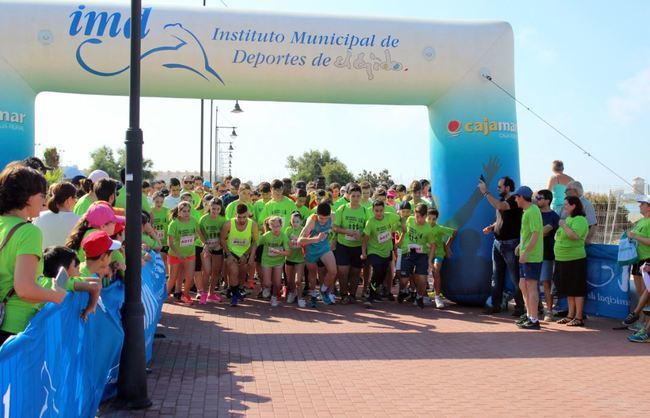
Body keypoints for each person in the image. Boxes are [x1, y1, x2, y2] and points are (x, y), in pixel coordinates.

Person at [0, 164, 67, 346]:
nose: (45, 202)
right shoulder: (28, 232)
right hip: (15, 329)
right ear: (26, 197)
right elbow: (24, 289)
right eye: (42, 196)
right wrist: (56, 295)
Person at [479, 176, 525, 315]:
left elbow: (500, 207)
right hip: (498, 243)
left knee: (515, 276)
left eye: (500, 186)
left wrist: (485, 192)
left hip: (511, 243)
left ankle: (520, 307)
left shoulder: (513, 200)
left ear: (508, 188)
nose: (498, 189)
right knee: (496, 276)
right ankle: (495, 305)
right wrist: (492, 227)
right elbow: (502, 218)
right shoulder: (503, 200)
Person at [554, 196, 589, 327]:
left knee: (577, 288)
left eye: (567, 204)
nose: (564, 207)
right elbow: (559, 235)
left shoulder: (580, 220)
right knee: (569, 289)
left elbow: (574, 236)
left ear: (574, 206)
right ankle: (570, 315)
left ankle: (579, 317)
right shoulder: (568, 218)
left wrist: (563, 225)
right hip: (562, 258)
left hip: (575, 259)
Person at [513, 186, 544, 330]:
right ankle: (529, 314)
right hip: (526, 254)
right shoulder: (528, 211)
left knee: (531, 286)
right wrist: (521, 246)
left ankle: (534, 319)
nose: (515, 199)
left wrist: (526, 253)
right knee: (522, 285)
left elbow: (536, 234)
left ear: (521, 197)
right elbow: (528, 234)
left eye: (516, 196)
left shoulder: (532, 211)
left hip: (532, 256)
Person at [43, 246, 100, 321]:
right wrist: (89, 309)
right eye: (75, 263)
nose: (78, 265)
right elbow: (96, 286)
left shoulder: (45, 280)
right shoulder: (62, 282)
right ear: (63, 269)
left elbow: (96, 282)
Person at [333, 184, 368, 304]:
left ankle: (352, 294)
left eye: (358, 196)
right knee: (342, 271)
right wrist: (347, 231)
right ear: (348, 195)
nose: (356, 198)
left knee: (355, 272)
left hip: (357, 246)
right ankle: (343, 294)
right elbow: (335, 227)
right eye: (353, 196)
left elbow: (368, 229)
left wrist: (362, 233)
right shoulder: (342, 209)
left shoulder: (364, 210)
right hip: (343, 245)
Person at [298, 202, 338, 308]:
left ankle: (323, 290)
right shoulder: (312, 220)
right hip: (310, 248)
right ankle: (313, 295)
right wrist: (315, 239)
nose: (323, 220)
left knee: (333, 271)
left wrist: (332, 240)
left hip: (324, 247)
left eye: (326, 218)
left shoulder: (333, 216)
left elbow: (334, 229)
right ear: (316, 214)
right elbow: (300, 240)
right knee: (312, 273)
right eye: (321, 218)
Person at [396, 203, 436, 309]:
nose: (418, 219)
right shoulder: (409, 220)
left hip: (421, 255)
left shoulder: (428, 229)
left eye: (421, 217)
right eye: (416, 216)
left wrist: (430, 261)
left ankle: (419, 297)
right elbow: (401, 223)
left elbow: (433, 246)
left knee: (422, 279)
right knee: (403, 279)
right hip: (407, 253)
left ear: (425, 216)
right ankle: (403, 291)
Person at [361, 200, 399, 307]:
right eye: (376, 211)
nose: (379, 213)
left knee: (383, 273)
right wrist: (364, 252)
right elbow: (365, 239)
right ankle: (370, 295)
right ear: (373, 210)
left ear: (384, 210)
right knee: (377, 270)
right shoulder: (370, 222)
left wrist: (403, 226)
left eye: (381, 210)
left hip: (387, 251)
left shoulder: (390, 217)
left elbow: (401, 218)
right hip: (374, 251)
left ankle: (374, 291)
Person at [221, 203, 259, 307]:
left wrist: (249, 256)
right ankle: (234, 295)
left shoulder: (253, 224)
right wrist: (228, 254)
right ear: (235, 215)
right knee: (234, 271)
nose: (242, 220)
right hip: (231, 252)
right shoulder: (228, 224)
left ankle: (237, 290)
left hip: (245, 252)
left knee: (242, 275)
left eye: (244, 217)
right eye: (239, 217)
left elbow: (255, 241)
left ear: (248, 214)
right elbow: (222, 239)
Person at [623, 195, 650, 337]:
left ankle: (645, 322)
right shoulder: (641, 221)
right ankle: (641, 320)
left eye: (642, 204)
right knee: (641, 293)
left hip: (647, 260)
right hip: (638, 260)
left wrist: (635, 236)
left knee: (647, 293)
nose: (639, 206)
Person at [167, 201, 200, 305]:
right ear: (179, 212)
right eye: (184, 211)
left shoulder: (194, 221)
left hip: (190, 253)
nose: (186, 213)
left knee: (189, 277)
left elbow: (198, 233)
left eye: (188, 211)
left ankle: (185, 295)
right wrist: (178, 254)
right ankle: (165, 294)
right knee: (173, 277)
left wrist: (194, 237)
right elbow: (170, 243)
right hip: (175, 254)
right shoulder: (174, 223)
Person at [535, 189, 560, 321]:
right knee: (531, 282)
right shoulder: (534, 213)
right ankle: (536, 308)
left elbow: (544, 232)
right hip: (533, 252)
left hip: (547, 253)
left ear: (547, 200)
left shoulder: (554, 216)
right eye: (536, 197)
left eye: (540, 198)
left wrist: (535, 232)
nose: (537, 199)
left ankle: (549, 311)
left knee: (545, 282)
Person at [33, 181, 80, 249]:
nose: (76, 200)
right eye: (75, 197)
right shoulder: (78, 221)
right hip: (68, 259)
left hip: (43, 258)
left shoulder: (39, 217)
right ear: (69, 199)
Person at [426, 208, 456, 308]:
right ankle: (422, 295)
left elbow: (454, 232)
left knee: (436, 270)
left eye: (433, 219)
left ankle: (437, 297)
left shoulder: (439, 228)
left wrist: (447, 246)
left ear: (437, 219)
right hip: (426, 254)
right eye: (429, 218)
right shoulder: (422, 227)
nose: (431, 221)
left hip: (438, 254)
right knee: (419, 272)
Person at [198, 198, 226, 304]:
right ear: (209, 207)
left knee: (216, 272)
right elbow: (199, 233)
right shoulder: (203, 219)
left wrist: (220, 244)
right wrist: (205, 244)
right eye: (213, 208)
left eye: (218, 209)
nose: (215, 211)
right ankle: (204, 294)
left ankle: (212, 293)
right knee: (207, 271)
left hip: (218, 248)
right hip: (206, 248)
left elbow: (225, 235)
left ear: (220, 209)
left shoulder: (223, 220)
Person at [259, 216, 290, 307]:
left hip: (278, 261)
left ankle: (274, 298)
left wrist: (279, 252)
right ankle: (266, 288)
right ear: (270, 226)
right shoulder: (266, 236)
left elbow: (288, 252)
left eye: (278, 226)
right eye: (273, 226)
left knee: (277, 282)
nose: (276, 229)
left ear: (281, 226)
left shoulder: (283, 236)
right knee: (267, 282)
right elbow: (256, 243)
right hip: (267, 261)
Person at [285, 211, 307, 307]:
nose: (295, 223)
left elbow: (305, 243)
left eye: (297, 221)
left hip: (300, 259)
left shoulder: (304, 230)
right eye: (293, 221)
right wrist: (291, 243)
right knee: (290, 280)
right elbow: (286, 243)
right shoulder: (288, 230)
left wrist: (298, 243)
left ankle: (300, 297)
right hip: (289, 257)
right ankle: (292, 293)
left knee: (298, 280)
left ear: (301, 221)